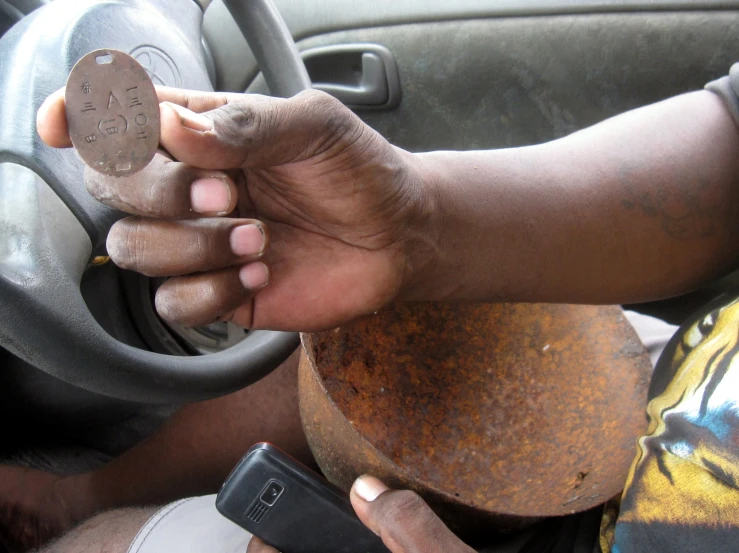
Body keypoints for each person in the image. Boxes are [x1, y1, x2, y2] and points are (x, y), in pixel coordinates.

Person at [18, 60, 739, 553]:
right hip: (689, 377)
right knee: (364, 312)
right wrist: (417, 225)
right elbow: (729, 141)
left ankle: (86, 522)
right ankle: (81, 495)